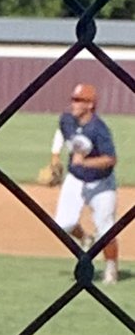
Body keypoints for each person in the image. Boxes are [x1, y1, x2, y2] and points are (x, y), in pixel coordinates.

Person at [49, 82, 120, 285]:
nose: (74, 103)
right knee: (63, 224)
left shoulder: (99, 129)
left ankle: (111, 268)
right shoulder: (67, 120)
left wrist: (85, 162)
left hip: (102, 183)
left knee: (106, 230)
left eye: (79, 100)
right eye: (73, 99)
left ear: (90, 104)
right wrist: (55, 157)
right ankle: (85, 239)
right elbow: (61, 131)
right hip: (75, 179)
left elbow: (111, 159)